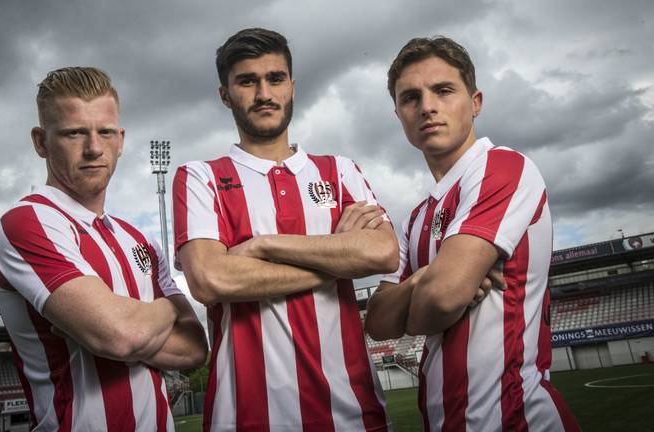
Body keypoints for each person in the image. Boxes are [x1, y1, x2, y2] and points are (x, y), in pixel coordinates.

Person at [173, 28, 397, 431]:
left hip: (353, 414)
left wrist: (260, 246)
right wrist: (338, 255)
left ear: (291, 86)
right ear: (225, 95)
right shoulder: (200, 177)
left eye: (275, 79)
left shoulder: (339, 170)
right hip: (245, 418)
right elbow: (209, 280)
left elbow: (383, 253)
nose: (264, 93)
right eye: (247, 81)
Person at [365, 37, 580, 431]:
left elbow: (442, 300)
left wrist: (428, 289)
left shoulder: (503, 167)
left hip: (517, 418)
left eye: (443, 91)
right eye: (410, 98)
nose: (427, 107)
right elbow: (378, 322)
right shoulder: (416, 217)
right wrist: (429, 277)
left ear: (476, 102)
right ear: (398, 114)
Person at [0, 67, 207, 431]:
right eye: (74, 133)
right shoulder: (27, 222)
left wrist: (120, 328)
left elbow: (194, 349)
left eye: (105, 132)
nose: (93, 148)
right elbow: (118, 336)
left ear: (120, 139)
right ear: (41, 141)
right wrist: (165, 310)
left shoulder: (140, 241)